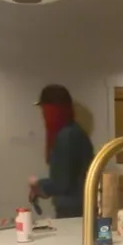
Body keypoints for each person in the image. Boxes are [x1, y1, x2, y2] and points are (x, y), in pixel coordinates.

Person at [29, 84, 94, 219]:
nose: (42, 115)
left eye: (44, 110)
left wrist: (38, 185)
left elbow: (62, 183)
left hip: (73, 210)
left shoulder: (67, 136)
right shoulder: (75, 132)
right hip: (80, 206)